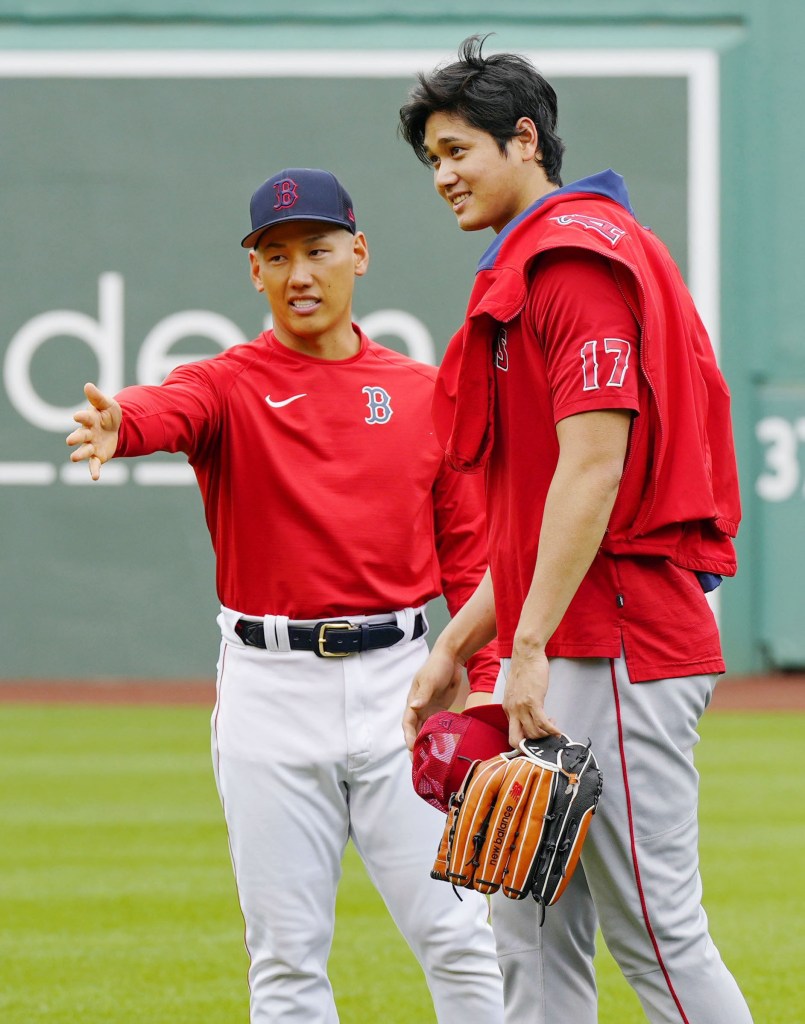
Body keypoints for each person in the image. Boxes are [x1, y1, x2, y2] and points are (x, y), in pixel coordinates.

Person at [66, 167, 504, 1024]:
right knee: (286, 958)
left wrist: (484, 679)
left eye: (317, 249)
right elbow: (168, 409)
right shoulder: (227, 383)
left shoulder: (422, 393)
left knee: (460, 938)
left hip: (404, 686)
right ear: (254, 272)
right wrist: (123, 423)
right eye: (276, 255)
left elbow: (469, 556)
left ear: (359, 253)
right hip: (271, 691)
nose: (298, 272)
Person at [398, 36, 754, 1024]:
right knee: (530, 927)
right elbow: (535, 521)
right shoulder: (538, 260)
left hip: (620, 640)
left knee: (655, 932)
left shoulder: (574, 262)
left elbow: (593, 471)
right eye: (431, 158)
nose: (442, 175)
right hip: (572, 635)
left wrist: (525, 649)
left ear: (524, 139)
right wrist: (458, 645)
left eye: (457, 150)